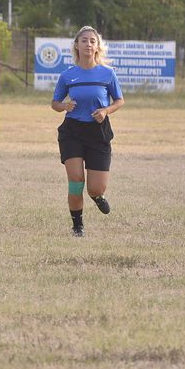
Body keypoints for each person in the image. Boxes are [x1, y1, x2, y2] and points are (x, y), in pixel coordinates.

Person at [51, 26, 124, 237]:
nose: (88, 44)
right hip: (72, 131)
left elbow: (119, 100)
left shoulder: (107, 74)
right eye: (84, 40)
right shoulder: (68, 75)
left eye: (92, 41)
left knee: (95, 188)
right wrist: (64, 106)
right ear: (77, 45)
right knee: (75, 181)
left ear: (97, 46)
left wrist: (106, 110)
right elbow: (55, 103)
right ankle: (77, 226)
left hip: (98, 132)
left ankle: (97, 197)